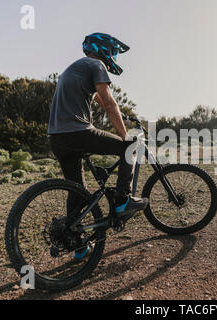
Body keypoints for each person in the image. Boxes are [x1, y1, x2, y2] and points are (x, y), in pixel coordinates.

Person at [48, 33, 149, 259]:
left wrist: (123, 115)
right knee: (128, 148)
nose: (114, 57)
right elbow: (110, 104)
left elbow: (101, 101)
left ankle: (77, 245)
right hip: (77, 131)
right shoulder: (97, 65)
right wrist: (125, 136)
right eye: (113, 53)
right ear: (105, 51)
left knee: (77, 190)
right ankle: (123, 200)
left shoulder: (73, 69)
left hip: (57, 137)